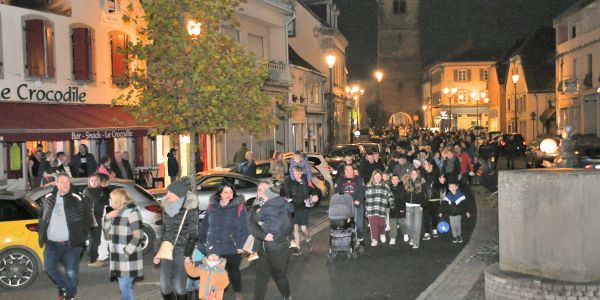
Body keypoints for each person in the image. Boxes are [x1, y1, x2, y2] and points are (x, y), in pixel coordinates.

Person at [38, 173, 93, 300]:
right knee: (49, 267)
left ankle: (69, 295)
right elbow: (42, 218)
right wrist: (42, 234)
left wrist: (82, 236)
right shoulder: (48, 198)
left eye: (67, 182)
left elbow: (88, 218)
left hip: (71, 244)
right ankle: (63, 287)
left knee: (71, 273)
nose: (65, 184)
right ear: (56, 184)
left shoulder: (77, 198)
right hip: (51, 243)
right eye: (62, 182)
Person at [198, 181, 248, 300]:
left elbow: (245, 228)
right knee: (215, 274)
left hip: (232, 246)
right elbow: (205, 224)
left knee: (233, 271)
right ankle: (214, 296)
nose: (228, 194)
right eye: (225, 192)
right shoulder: (212, 206)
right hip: (214, 246)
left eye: (230, 192)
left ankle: (238, 293)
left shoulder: (239, 207)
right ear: (220, 193)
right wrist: (200, 240)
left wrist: (241, 245)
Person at [155, 180, 199, 299]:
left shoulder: (190, 209)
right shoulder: (166, 207)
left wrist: (188, 254)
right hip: (167, 250)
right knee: (164, 286)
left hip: (182, 251)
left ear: (179, 194)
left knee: (180, 287)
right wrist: (158, 252)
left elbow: (193, 234)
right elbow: (164, 231)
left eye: (170, 192)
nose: (167, 195)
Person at [249, 182, 294, 300]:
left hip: (279, 247)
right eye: (260, 190)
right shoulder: (255, 208)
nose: (262, 191)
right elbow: (252, 227)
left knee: (279, 275)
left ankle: (286, 295)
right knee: (261, 278)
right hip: (262, 248)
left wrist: (275, 237)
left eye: (265, 189)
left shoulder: (280, 205)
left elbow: (289, 226)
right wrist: (264, 236)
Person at [103, 188, 144, 300]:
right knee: (124, 286)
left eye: (111, 199)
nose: (109, 201)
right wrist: (107, 218)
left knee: (125, 285)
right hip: (117, 258)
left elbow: (138, 235)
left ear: (118, 199)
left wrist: (126, 252)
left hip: (128, 258)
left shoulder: (132, 212)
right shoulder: (113, 211)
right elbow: (107, 234)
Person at [282, 166, 319, 256]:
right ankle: (298, 248)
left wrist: (315, 196)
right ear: (293, 173)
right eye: (295, 173)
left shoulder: (306, 181)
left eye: (299, 172)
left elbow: (315, 190)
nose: (297, 174)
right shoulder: (290, 182)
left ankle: (308, 239)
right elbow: (284, 192)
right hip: (293, 209)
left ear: (302, 172)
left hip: (303, 209)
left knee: (303, 229)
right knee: (294, 229)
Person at [333, 164, 366, 244]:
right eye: (346, 170)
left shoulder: (359, 179)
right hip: (344, 205)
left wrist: (358, 200)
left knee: (359, 224)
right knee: (340, 222)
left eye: (350, 169)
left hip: (357, 204)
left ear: (353, 171)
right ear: (344, 171)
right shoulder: (340, 179)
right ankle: (341, 237)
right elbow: (336, 191)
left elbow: (362, 191)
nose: (348, 171)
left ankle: (360, 236)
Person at [365, 170, 393, 247]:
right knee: (373, 225)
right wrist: (366, 209)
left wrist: (392, 205)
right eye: (376, 176)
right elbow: (365, 197)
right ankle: (374, 239)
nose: (377, 177)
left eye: (379, 176)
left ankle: (382, 234)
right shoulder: (368, 185)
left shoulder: (386, 186)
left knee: (381, 224)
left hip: (382, 208)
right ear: (373, 176)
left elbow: (390, 196)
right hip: (371, 209)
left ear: (381, 177)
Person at [84, 174, 107, 267]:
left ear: (99, 182)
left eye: (96, 180)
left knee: (97, 239)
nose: (94, 182)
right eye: (92, 180)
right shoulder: (87, 190)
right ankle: (92, 260)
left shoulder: (100, 190)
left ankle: (95, 258)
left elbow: (106, 201)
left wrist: (101, 197)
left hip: (99, 216)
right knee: (93, 240)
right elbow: (96, 200)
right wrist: (101, 197)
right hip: (92, 218)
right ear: (89, 182)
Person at [404, 169, 426, 249]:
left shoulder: (421, 183)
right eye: (412, 173)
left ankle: (416, 242)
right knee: (409, 225)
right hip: (408, 206)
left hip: (417, 207)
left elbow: (424, 196)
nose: (413, 175)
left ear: (417, 174)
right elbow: (404, 195)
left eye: (415, 173)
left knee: (417, 225)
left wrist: (422, 206)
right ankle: (412, 237)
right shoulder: (407, 183)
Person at [388, 174, 408, 245]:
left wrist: (403, 208)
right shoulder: (389, 188)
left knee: (402, 223)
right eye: (393, 179)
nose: (394, 181)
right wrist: (388, 207)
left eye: (396, 179)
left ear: (399, 180)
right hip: (392, 209)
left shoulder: (402, 188)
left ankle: (405, 233)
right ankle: (393, 238)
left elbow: (404, 199)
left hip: (401, 208)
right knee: (392, 224)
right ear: (391, 180)